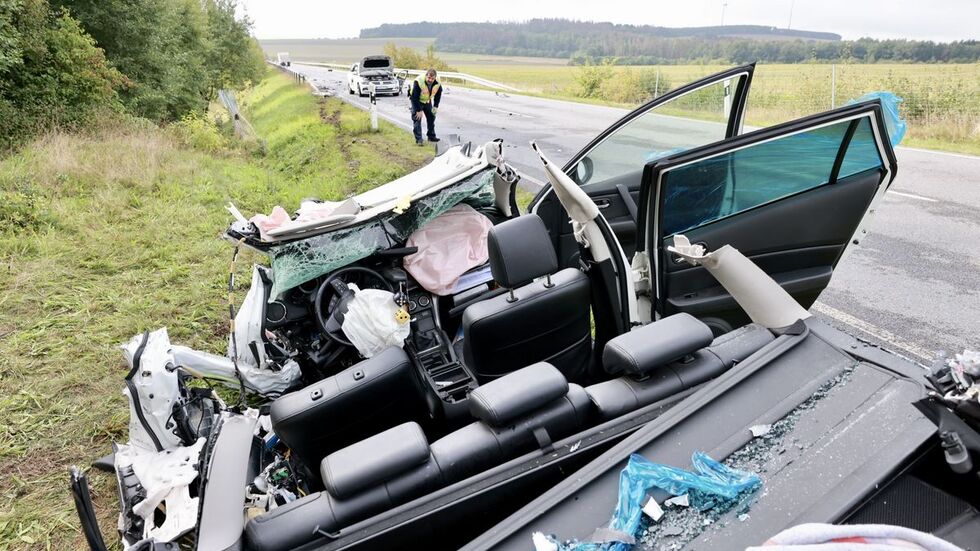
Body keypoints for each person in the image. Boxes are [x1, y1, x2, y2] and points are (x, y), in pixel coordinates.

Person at [410, 68, 442, 146]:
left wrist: (435, 106)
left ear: (435, 78)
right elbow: (414, 97)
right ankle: (419, 140)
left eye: (432, 78)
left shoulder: (438, 82)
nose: (430, 80)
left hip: (427, 100)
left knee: (432, 116)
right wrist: (418, 110)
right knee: (417, 118)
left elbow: (438, 94)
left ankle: (431, 136)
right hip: (417, 101)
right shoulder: (419, 81)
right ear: (426, 75)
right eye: (429, 78)